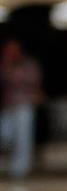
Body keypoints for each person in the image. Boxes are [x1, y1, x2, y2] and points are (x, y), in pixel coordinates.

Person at [1, 39, 42, 180]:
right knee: (6, 136)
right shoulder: (5, 64)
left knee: (23, 138)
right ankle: (12, 165)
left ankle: (20, 170)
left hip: (24, 105)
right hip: (8, 106)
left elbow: (33, 81)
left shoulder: (29, 64)